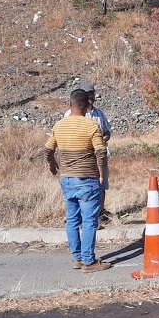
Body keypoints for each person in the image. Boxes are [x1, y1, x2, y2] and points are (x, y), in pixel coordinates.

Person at [46, 89, 111, 272]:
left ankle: (76, 258)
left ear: (70, 105)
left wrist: (53, 165)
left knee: (72, 220)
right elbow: (100, 152)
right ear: (88, 105)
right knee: (90, 221)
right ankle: (89, 262)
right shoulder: (91, 127)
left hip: (66, 179)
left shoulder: (59, 125)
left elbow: (48, 149)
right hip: (87, 180)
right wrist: (101, 174)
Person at [64, 83, 112, 222]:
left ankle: (100, 212)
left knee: (101, 184)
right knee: (81, 186)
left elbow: (107, 132)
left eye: (92, 93)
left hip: (99, 155)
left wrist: (102, 138)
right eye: (87, 93)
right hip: (81, 157)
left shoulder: (99, 113)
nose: (90, 96)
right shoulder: (69, 114)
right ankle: (80, 216)